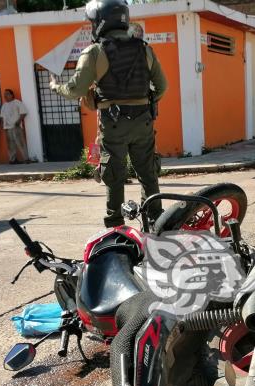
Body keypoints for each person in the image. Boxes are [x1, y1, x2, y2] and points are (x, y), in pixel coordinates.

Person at [50, 0, 167, 228]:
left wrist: (56, 87)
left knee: (113, 175)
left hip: (113, 124)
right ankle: (156, 222)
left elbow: (76, 90)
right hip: (143, 122)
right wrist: (143, 103)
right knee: (148, 174)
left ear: (100, 23)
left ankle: (116, 226)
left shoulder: (95, 52)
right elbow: (162, 87)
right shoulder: (145, 49)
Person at [0, 89, 29, 164]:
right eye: (4, 94)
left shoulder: (17, 102)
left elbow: (24, 112)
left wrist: (18, 121)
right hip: (7, 127)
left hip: (16, 126)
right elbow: (2, 116)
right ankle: (12, 159)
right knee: (10, 145)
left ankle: (26, 158)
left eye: (7, 94)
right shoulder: (4, 105)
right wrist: (3, 125)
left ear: (12, 95)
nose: (5, 96)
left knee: (20, 143)